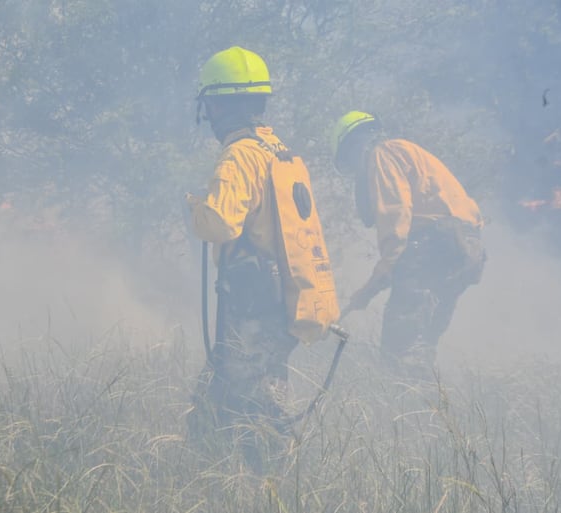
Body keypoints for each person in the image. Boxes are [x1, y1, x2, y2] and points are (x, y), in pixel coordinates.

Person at [185, 47, 339, 470]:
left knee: (255, 408)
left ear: (215, 104)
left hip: (252, 306)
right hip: (281, 299)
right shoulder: (277, 150)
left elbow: (218, 224)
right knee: (221, 399)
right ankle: (208, 481)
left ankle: (268, 488)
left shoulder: (239, 155)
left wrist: (195, 206)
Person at [331, 111, 485, 374]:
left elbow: (396, 219)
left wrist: (378, 277)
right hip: (466, 249)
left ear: (354, 146)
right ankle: (432, 411)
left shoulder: (383, 154)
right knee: (422, 343)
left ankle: (406, 408)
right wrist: (371, 288)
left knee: (400, 349)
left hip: (433, 244)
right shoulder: (408, 152)